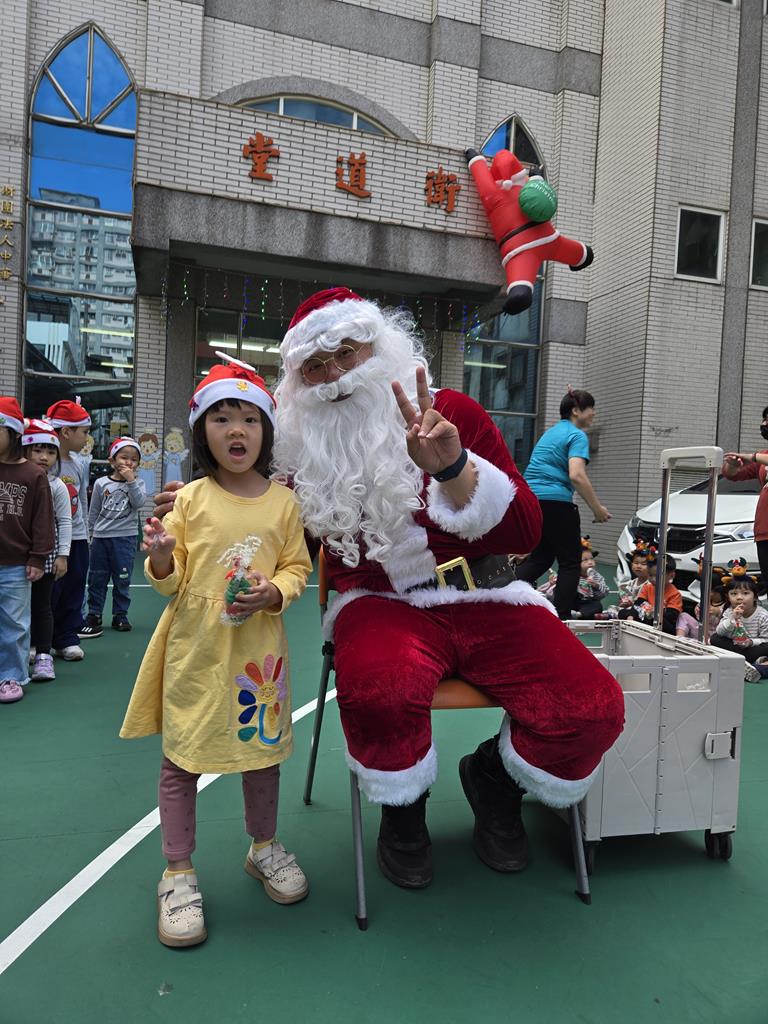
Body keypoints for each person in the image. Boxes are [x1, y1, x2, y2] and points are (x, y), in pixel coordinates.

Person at [158, 288, 624, 891]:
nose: (334, 376)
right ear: (297, 384)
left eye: (346, 353)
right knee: (382, 688)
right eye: (315, 366)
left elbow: (526, 531)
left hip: (485, 595)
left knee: (592, 706)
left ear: (380, 348)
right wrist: (204, 509)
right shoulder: (297, 454)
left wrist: (452, 470)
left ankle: (494, 781)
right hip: (378, 605)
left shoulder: (451, 411)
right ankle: (403, 812)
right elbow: (267, 536)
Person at [120, 356, 312, 948]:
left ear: (266, 432)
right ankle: (177, 871)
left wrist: (274, 591)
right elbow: (170, 579)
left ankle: (263, 846)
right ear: (203, 431)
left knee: (261, 756)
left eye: (250, 419)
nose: (237, 430)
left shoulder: (284, 504)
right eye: (222, 417)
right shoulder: (190, 500)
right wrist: (160, 557)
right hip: (197, 651)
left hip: (258, 657)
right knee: (182, 759)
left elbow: (297, 566)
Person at [517, 388, 611, 619]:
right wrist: (597, 509)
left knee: (541, 558)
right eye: (591, 408)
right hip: (557, 503)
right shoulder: (577, 436)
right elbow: (576, 475)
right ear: (576, 411)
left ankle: (503, 597)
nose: (594, 413)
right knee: (570, 563)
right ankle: (562, 618)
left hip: (533, 501)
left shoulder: (550, 433)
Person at [0, 398, 55, 704]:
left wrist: (38, 557)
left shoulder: (33, 475)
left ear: (12, 433)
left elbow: (43, 520)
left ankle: (11, 675)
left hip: (16, 564)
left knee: (14, 624)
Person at [79, 437, 146, 638]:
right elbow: (94, 511)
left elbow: (139, 503)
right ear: (112, 460)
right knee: (97, 578)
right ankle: (94, 614)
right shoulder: (101, 483)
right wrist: (91, 534)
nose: (128, 462)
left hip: (125, 538)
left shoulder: (138, 483)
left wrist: (131, 481)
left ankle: (120, 615)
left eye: (134, 459)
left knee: (122, 579)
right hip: (101, 538)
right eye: (124, 457)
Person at [22, 419, 72, 682]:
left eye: (51, 452)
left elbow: (65, 521)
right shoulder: (15, 479)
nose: (44, 457)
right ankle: (20, 652)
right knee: (15, 608)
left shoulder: (57, 486)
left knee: (42, 606)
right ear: (24, 449)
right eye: (38, 450)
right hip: (16, 556)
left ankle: (43, 655)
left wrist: (63, 554)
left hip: (47, 558)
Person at [45, 398, 91, 661]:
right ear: (66, 432)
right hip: (51, 539)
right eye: (84, 432)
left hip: (77, 537)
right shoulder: (45, 463)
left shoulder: (79, 463)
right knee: (50, 590)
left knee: (74, 586)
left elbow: (82, 500)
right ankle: (41, 639)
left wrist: (86, 533)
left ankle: (67, 638)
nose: (87, 438)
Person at [723, 409, 768, 587]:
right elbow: (733, 475)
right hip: (764, 532)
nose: (764, 424)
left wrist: (752, 457)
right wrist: (733, 464)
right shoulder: (763, 457)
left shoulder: (760, 457)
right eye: (763, 419)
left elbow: (755, 459)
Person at [711, 564, 768, 678]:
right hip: (736, 647)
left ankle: (749, 665)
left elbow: (765, 639)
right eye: (734, 594)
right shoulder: (729, 611)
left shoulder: (763, 616)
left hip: (753, 648)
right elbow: (720, 632)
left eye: (745, 593)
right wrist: (732, 619)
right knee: (715, 638)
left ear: (755, 597)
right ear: (728, 597)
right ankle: (747, 663)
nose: (739, 597)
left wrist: (750, 642)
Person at [538, 537, 608, 618]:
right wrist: (552, 583)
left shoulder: (596, 576)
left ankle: (579, 614)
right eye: (585, 560)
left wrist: (596, 586)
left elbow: (604, 592)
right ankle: (563, 612)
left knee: (597, 605)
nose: (590, 562)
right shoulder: (570, 573)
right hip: (569, 601)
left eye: (592, 559)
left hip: (584, 603)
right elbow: (550, 591)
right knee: (562, 590)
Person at [626, 554, 682, 634]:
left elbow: (670, 616)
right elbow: (638, 604)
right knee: (624, 613)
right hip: (647, 618)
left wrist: (651, 612)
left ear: (672, 575)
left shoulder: (675, 594)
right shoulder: (647, 587)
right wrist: (631, 616)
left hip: (663, 625)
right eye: (650, 575)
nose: (653, 579)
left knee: (655, 620)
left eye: (657, 576)